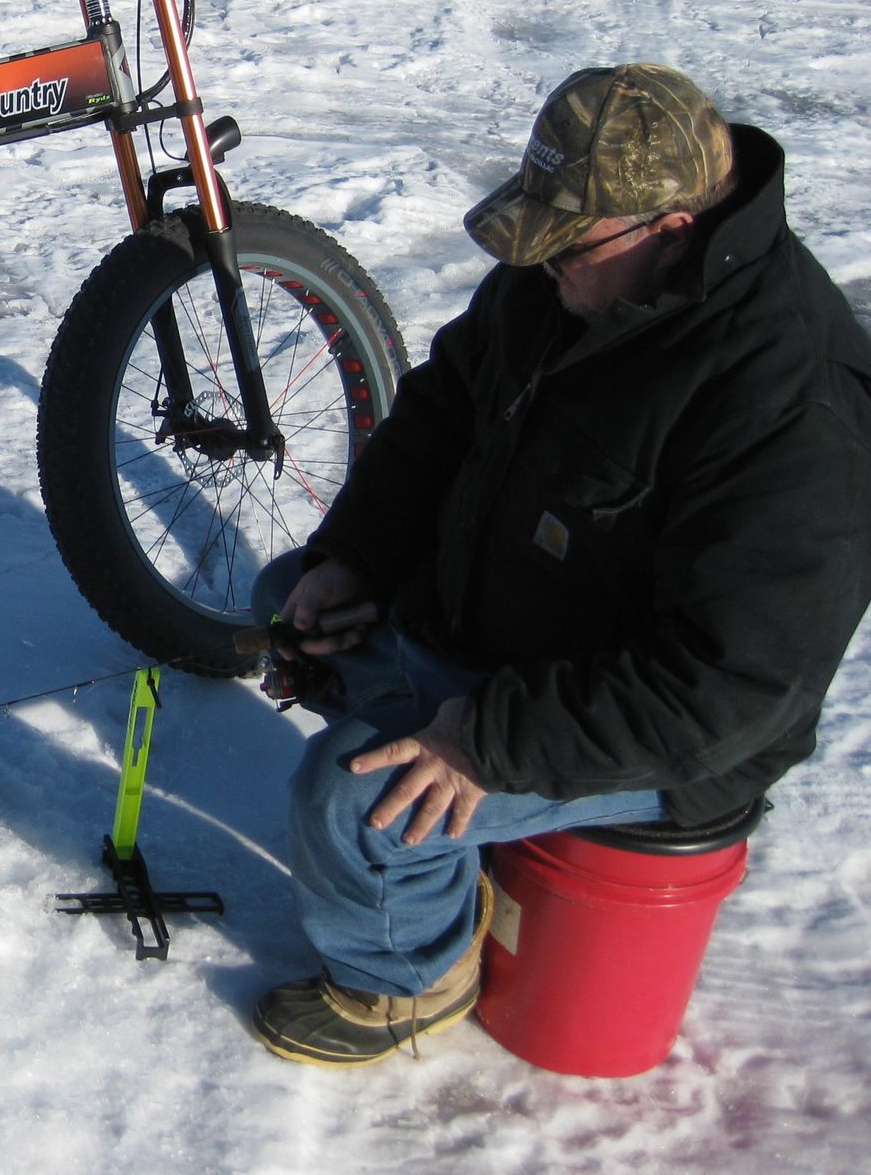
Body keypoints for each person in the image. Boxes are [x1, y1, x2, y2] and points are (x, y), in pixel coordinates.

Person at [249, 62, 871, 1066]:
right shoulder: (577, 279)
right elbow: (445, 409)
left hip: (656, 723)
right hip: (516, 622)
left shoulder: (790, 402)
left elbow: (728, 688)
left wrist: (486, 744)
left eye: (567, 247)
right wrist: (355, 558)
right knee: (290, 601)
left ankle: (404, 980)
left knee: (349, 795)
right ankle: (438, 807)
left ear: (670, 231)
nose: (543, 269)